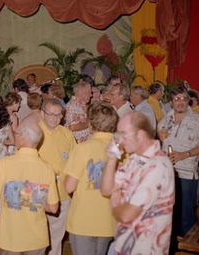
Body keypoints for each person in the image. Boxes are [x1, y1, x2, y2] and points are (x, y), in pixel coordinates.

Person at [0, 118, 59, 255]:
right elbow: (53, 208)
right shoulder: (47, 168)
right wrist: (31, 196)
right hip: (37, 239)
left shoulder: (4, 164)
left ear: (21, 138)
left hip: (10, 239)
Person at [101, 112, 175, 255]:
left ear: (140, 135)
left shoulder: (158, 166)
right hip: (123, 242)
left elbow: (126, 215)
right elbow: (106, 190)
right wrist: (112, 159)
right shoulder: (134, 159)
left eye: (124, 134)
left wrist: (115, 204)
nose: (119, 140)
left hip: (144, 249)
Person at [64, 102, 118, 255]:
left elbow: (69, 187)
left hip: (83, 219)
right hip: (108, 219)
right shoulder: (121, 149)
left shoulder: (82, 148)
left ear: (90, 123)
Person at [158, 87, 199, 236]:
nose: (180, 102)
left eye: (183, 98)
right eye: (176, 99)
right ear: (171, 102)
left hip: (186, 175)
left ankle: (189, 248)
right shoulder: (165, 119)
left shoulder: (196, 120)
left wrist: (185, 154)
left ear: (188, 100)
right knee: (167, 216)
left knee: (186, 217)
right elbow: (161, 138)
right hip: (166, 174)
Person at [39, 98, 76, 255]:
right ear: (42, 114)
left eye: (58, 115)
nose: (54, 118)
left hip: (62, 193)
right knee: (37, 236)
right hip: (38, 193)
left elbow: (75, 162)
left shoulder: (67, 134)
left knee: (56, 235)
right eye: (50, 114)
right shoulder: (34, 132)